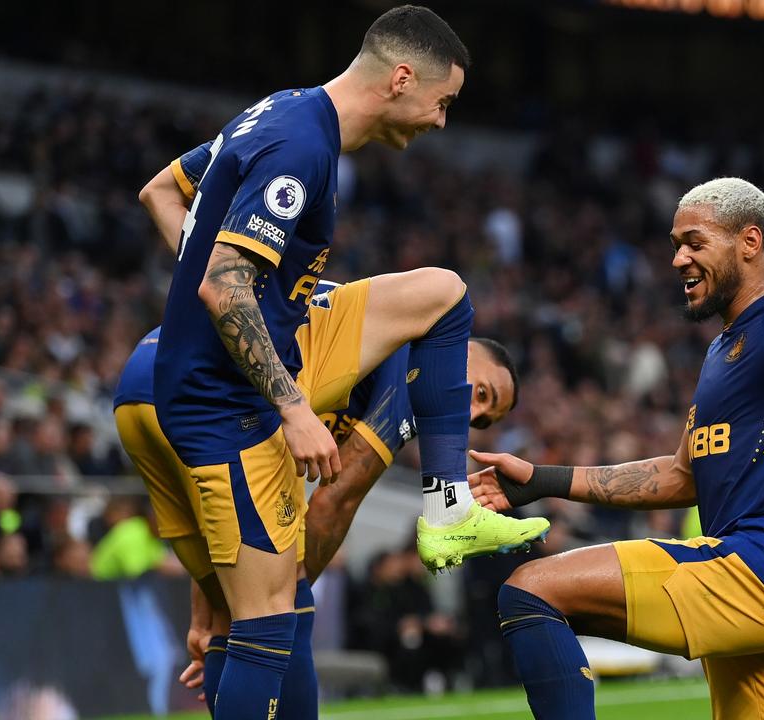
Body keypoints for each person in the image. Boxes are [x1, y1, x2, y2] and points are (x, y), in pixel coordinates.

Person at [140, 7, 543, 717]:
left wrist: (210, 287)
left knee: (444, 294)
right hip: (223, 402)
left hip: (247, 358)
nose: (441, 122)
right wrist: (292, 409)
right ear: (401, 78)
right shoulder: (301, 147)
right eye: (442, 103)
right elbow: (223, 282)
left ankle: (446, 507)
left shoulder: (283, 111)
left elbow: (161, 192)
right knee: (266, 617)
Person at [470, 177, 764, 719]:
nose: (678, 259)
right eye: (675, 245)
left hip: (763, 568)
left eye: (694, 242)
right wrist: (542, 481)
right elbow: (680, 477)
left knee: (533, 589)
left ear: (749, 242)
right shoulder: (724, 349)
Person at [115, 288, 531, 715]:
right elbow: (338, 498)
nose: (470, 415)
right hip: (213, 395)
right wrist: (278, 590)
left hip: (146, 382)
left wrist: (213, 609)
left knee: (233, 614)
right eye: (482, 394)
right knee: (281, 612)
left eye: (483, 420)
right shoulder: (420, 361)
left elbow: (222, 517)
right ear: (460, 347)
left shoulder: (368, 332)